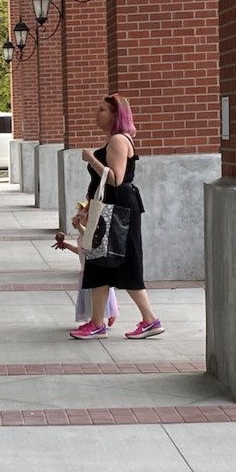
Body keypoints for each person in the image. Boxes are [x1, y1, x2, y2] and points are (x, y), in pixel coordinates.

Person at [70, 93, 165, 340]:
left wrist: (92, 159)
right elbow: (100, 186)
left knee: (125, 263)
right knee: (98, 263)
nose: (96, 113)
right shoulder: (113, 141)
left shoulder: (119, 141)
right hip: (108, 210)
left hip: (120, 211)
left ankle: (150, 319)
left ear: (115, 115)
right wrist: (86, 209)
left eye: (102, 109)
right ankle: (97, 322)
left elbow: (115, 179)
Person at [54, 200, 119, 330]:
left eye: (82, 216)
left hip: (94, 269)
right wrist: (66, 245)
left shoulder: (92, 233)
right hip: (85, 270)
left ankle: (110, 314)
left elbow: (89, 236)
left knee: (102, 294)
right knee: (89, 297)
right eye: (78, 215)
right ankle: (95, 319)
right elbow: (81, 252)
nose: (78, 218)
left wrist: (78, 226)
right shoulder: (84, 235)